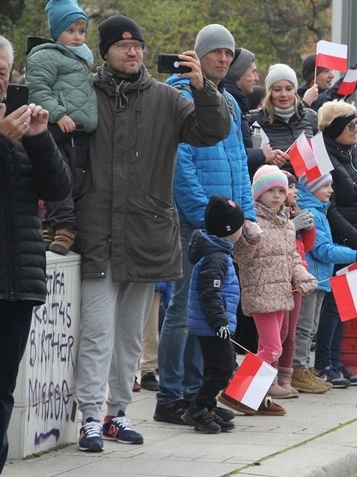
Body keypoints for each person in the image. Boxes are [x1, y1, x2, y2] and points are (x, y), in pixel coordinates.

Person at [74, 14, 231, 453]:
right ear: (105, 51)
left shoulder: (167, 98)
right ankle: (89, 416)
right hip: (98, 233)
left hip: (146, 235)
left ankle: (116, 414)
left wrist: (204, 89)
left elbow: (213, 130)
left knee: (127, 336)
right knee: (97, 332)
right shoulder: (85, 93)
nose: (133, 52)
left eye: (138, 45)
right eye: (123, 46)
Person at [154, 23, 258, 428]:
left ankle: (201, 396)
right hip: (195, 223)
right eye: (215, 52)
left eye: (229, 54)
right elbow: (181, 168)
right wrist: (206, 218)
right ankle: (170, 397)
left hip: (222, 225)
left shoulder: (228, 102)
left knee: (208, 313)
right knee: (181, 310)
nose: (223, 59)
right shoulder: (179, 95)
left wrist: (245, 214)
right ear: (197, 55)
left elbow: (237, 164)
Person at [0, 34, 71, 477]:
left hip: (18, 280)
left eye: (2, 72)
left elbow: (60, 188)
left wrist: (40, 138)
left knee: (2, 390)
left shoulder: (19, 127)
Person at [230, 165, 317, 411]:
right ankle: (239, 391)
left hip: (281, 293)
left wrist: (303, 278)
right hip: (261, 292)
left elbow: (293, 259)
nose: (278, 195)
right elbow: (242, 258)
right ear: (258, 194)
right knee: (272, 348)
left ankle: (256, 397)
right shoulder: (251, 222)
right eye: (271, 191)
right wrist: (249, 240)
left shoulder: (286, 224)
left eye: (281, 190)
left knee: (269, 346)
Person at [313, 100, 357, 387]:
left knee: (348, 304)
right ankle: (324, 364)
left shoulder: (355, 149)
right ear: (334, 127)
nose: (356, 128)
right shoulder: (321, 153)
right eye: (350, 124)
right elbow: (330, 206)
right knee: (335, 304)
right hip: (340, 237)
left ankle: (337, 361)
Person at [26, 0, 96, 255]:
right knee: (60, 179)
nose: (78, 37)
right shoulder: (46, 55)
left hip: (79, 132)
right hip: (57, 129)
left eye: (81, 31)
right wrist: (58, 114)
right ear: (56, 32)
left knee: (74, 181)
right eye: (71, 31)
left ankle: (50, 226)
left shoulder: (80, 58)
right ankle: (64, 228)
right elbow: (38, 89)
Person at [293, 172, 357, 392]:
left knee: (311, 327)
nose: (331, 190)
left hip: (320, 279)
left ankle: (303, 368)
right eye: (325, 186)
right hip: (311, 279)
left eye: (331, 185)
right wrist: (355, 254)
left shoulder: (319, 211)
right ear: (311, 188)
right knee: (304, 328)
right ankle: (298, 369)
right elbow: (321, 250)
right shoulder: (311, 213)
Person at [181, 196, 243, 433]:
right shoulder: (216, 258)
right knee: (223, 369)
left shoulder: (219, 252)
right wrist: (219, 322)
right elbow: (210, 294)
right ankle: (197, 408)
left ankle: (209, 404)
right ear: (229, 230)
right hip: (213, 325)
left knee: (214, 367)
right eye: (239, 226)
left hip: (215, 323)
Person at [271, 171, 316, 398]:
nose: (293, 192)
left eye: (287, 189)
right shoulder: (275, 220)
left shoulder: (290, 215)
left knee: (290, 332)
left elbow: (306, 245)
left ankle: (285, 378)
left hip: (295, 280)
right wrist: (291, 226)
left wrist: (304, 224)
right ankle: (267, 381)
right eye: (289, 187)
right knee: (275, 335)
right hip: (274, 283)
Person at [247, 64, 318, 173]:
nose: (283, 94)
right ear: (270, 93)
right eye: (277, 90)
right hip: (273, 187)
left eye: (289, 89)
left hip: (308, 187)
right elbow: (245, 161)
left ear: (295, 91)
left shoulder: (311, 117)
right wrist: (266, 161)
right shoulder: (253, 120)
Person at [223, 47, 278, 178]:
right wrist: (261, 154)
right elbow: (228, 154)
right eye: (253, 72)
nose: (257, 78)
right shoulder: (226, 104)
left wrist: (265, 157)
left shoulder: (237, 104)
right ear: (238, 74)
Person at [298, 32, 357, 111]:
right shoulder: (299, 100)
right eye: (325, 71)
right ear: (312, 78)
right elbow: (338, 91)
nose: (332, 75)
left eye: (331, 70)